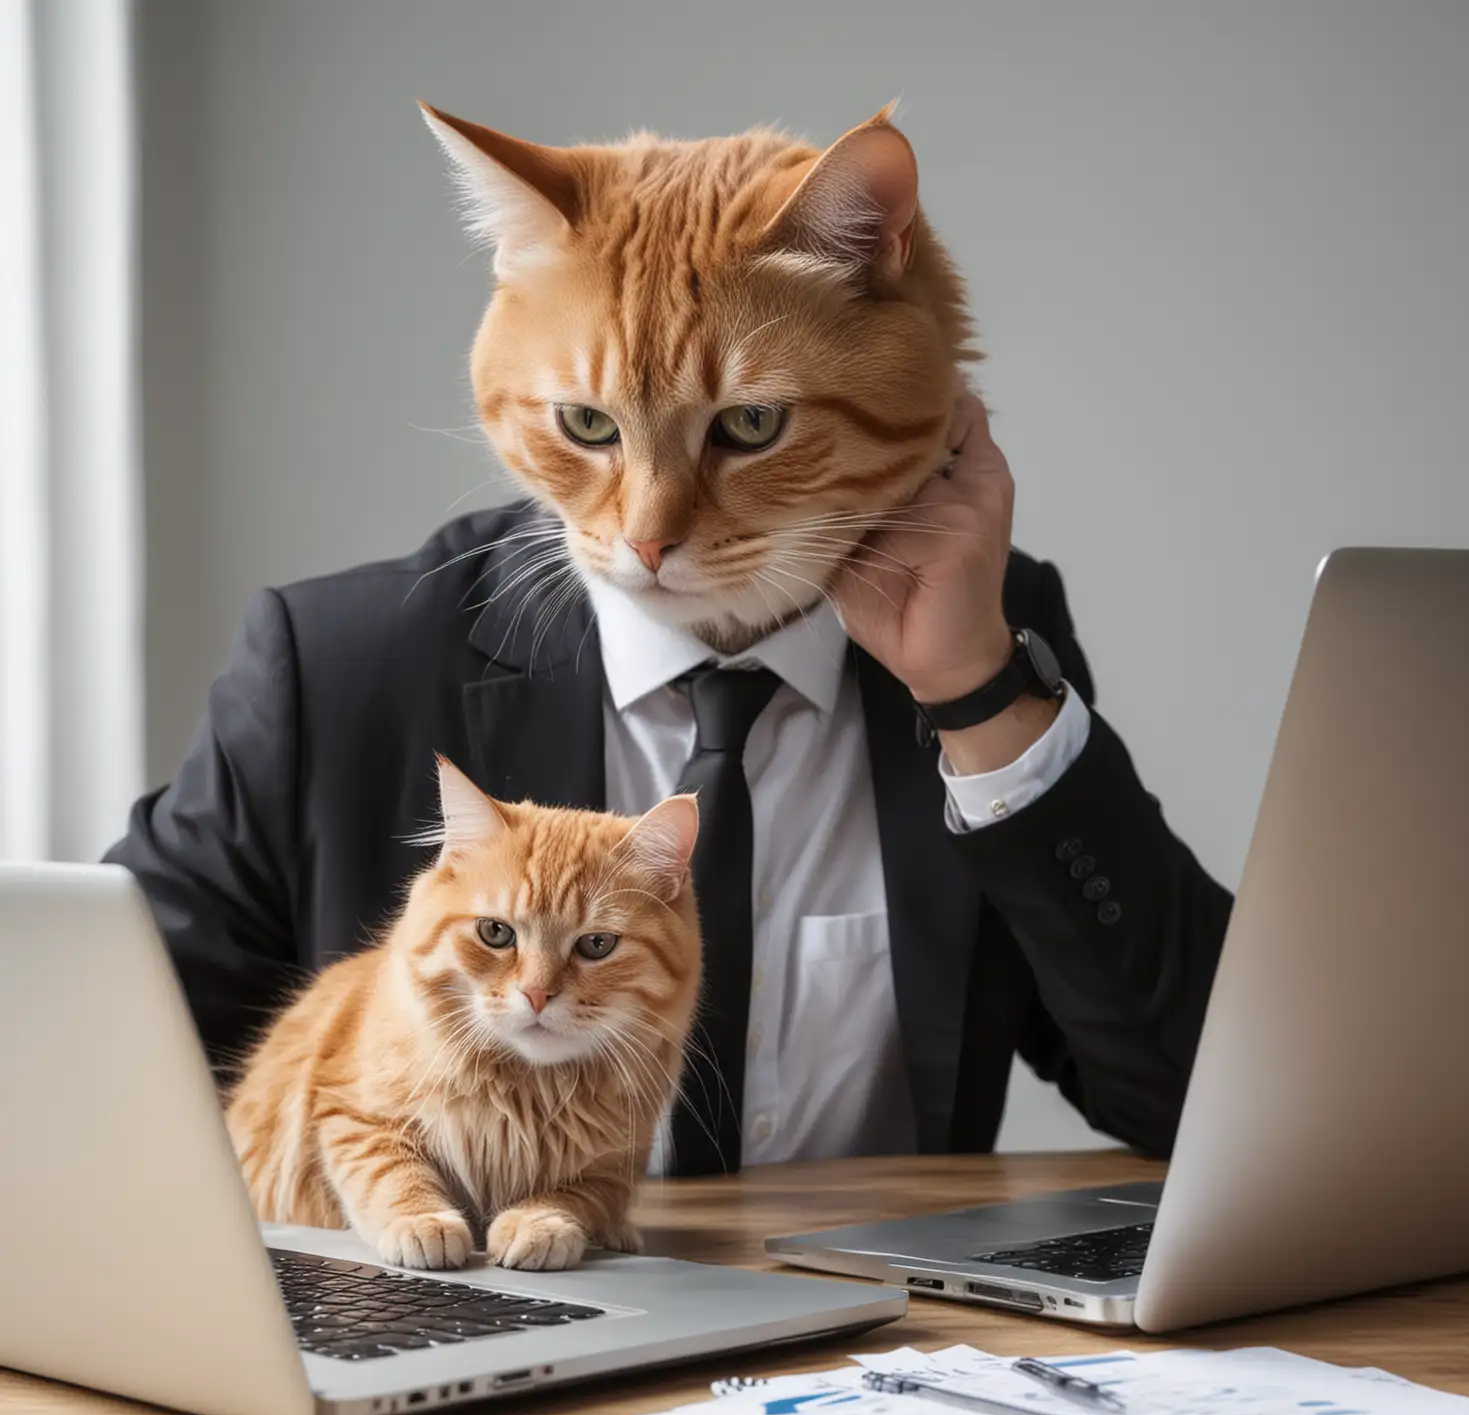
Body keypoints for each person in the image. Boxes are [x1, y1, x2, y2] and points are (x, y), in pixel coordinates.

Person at [108, 392, 1231, 1175]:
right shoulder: (341, 667)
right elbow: (86, 1084)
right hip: (467, 1346)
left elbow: (1195, 1100)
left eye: (747, 426)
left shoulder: (987, 624)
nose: (655, 524)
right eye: (595, 426)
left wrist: (978, 690)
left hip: (874, 1368)